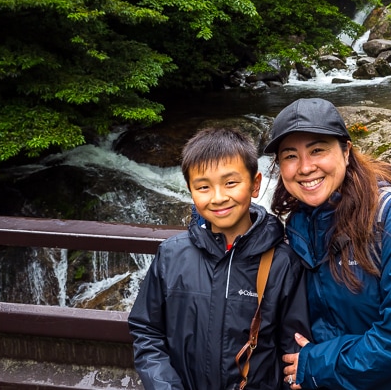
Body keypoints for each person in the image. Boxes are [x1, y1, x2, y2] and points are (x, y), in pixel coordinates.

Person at [266, 98, 391, 390]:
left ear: (346, 151)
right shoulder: (299, 223)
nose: (305, 167)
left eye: (318, 150)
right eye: (290, 156)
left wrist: (317, 364)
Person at [128, 127, 310, 390]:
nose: (218, 197)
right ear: (190, 191)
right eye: (203, 186)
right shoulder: (171, 255)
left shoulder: (283, 263)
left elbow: (292, 349)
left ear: (255, 184)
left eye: (230, 183)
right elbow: (147, 330)